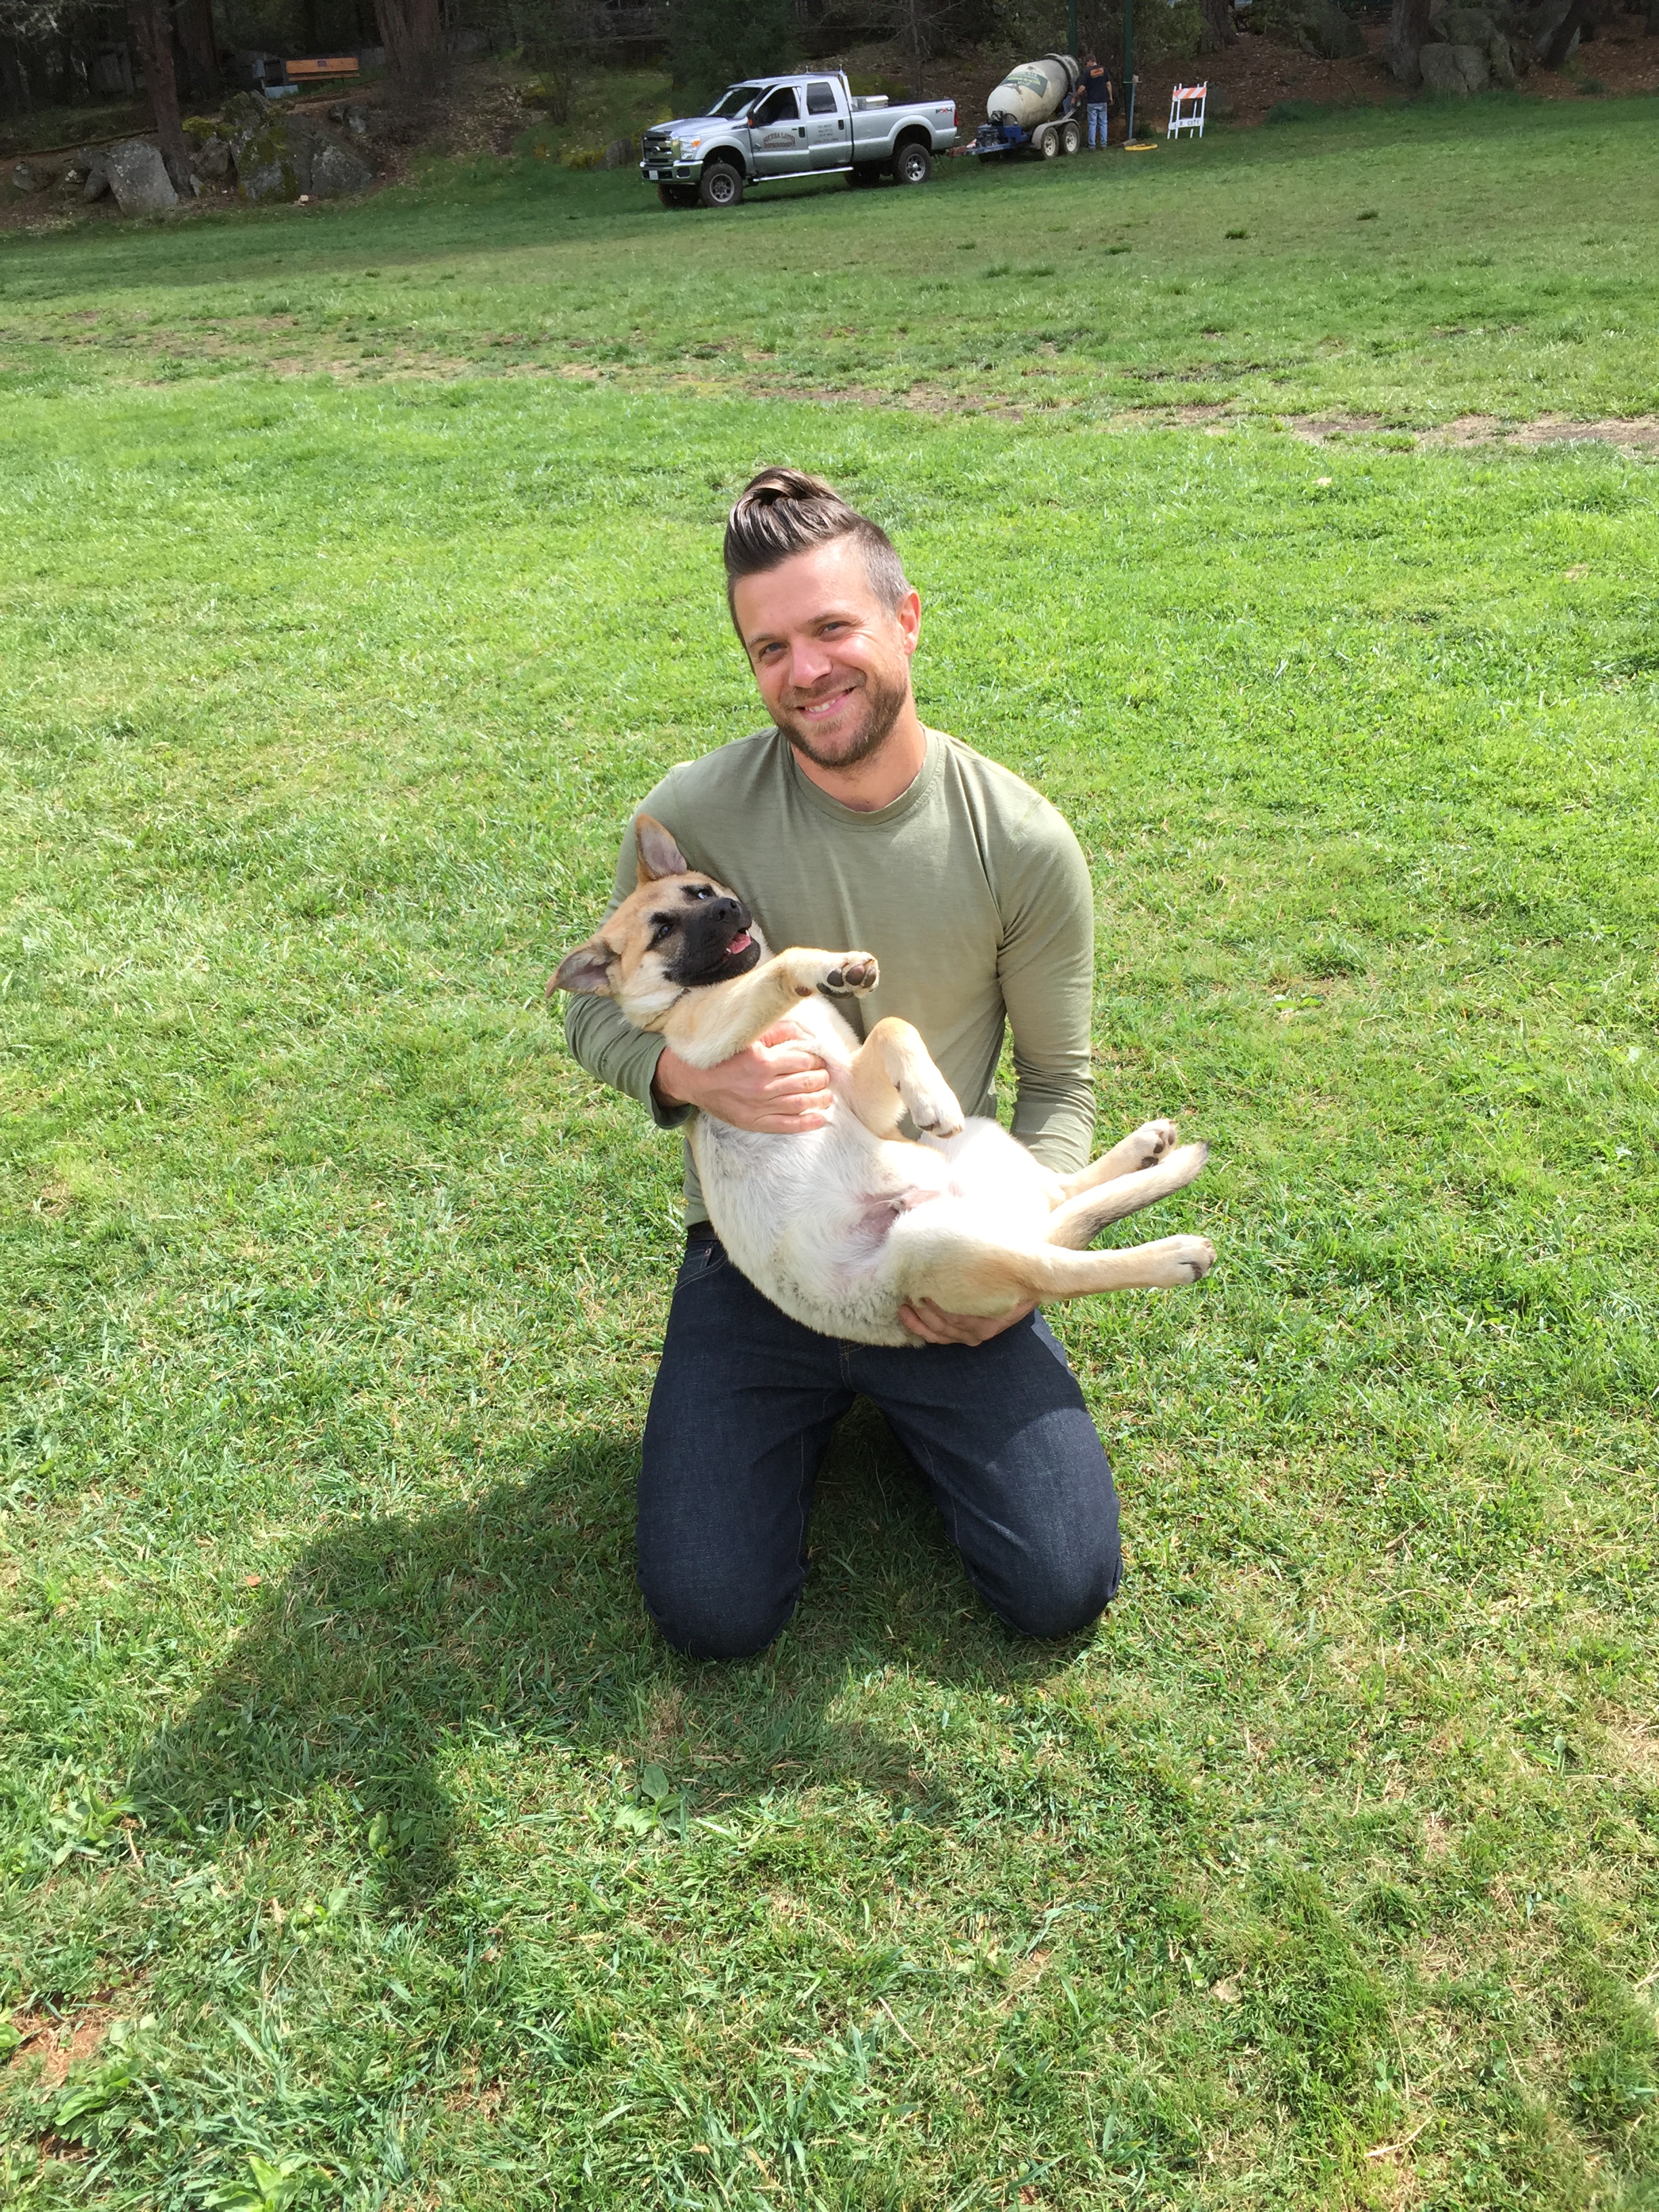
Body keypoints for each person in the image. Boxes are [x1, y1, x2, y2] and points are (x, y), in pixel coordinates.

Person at [565, 469, 1121, 1660]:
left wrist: (1019, 1260)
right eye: (770, 648)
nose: (805, 671)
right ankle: (809, 1403)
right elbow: (601, 1017)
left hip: (927, 1221)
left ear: (905, 618)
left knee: (1061, 1581)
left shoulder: (1019, 840)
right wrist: (685, 1080)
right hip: (757, 1251)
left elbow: (1059, 1087)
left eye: (831, 628)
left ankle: (905, 1396)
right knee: (710, 1609)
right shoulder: (691, 812)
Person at [1080, 56, 1112, 146]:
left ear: (1090, 61)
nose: (1086, 66)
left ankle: (1092, 145)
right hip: (1103, 100)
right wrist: (1110, 97)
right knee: (1103, 123)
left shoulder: (1087, 73)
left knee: (1092, 124)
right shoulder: (1104, 70)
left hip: (1092, 102)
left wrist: (1075, 97)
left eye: (1086, 64)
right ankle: (1104, 144)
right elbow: (1108, 85)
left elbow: (1082, 88)